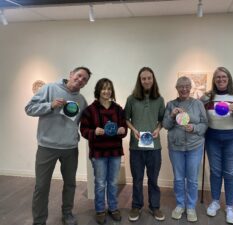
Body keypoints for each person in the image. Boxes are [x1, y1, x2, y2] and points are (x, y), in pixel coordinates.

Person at [25, 66, 92, 225]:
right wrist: (50, 105)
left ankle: (67, 213)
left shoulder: (81, 100)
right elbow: (29, 108)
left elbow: (86, 123)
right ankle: (39, 221)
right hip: (47, 147)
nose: (81, 80)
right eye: (79, 75)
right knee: (41, 186)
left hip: (70, 149)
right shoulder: (50, 88)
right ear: (71, 74)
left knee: (70, 183)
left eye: (85, 79)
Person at [201, 67, 233, 224]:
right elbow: (199, 114)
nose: (221, 80)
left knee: (230, 172)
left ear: (228, 79)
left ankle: (230, 206)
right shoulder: (207, 97)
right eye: (218, 77)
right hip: (212, 139)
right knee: (215, 172)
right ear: (214, 80)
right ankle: (215, 201)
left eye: (224, 77)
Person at [80, 78, 127, 224]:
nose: (106, 91)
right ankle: (100, 210)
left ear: (112, 91)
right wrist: (94, 132)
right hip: (98, 153)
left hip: (115, 152)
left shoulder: (118, 109)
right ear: (98, 91)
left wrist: (122, 130)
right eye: (103, 88)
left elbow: (124, 129)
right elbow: (83, 130)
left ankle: (113, 208)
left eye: (109, 88)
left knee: (113, 182)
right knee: (100, 183)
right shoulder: (90, 110)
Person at [162, 76, 208, 222]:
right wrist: (171, 114)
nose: (184, 89)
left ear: (190, 88)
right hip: (176, 147)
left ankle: (191, 207)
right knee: (179, 178)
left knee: (193, 179)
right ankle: (180, 205)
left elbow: (205, 124)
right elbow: (165, 125)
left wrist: (194, 127)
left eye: (187, 86)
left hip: (195, 146)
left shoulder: (198, 104)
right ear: (176, 88)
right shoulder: (171, 104)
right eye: (181, 86)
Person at [124, 67, 165, 222]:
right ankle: (136, 206)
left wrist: (157, 129)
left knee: (153, 179)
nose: (147, 81)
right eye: (143, 78)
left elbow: (162, 120)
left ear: (153, 79)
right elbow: (126, 118)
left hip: (154, 147)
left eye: (149, 78)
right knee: (137, 178)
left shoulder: (160, 99)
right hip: (136, 147)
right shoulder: (131, 99)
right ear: (139, 81)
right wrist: (133, 130)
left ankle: (155, 207)